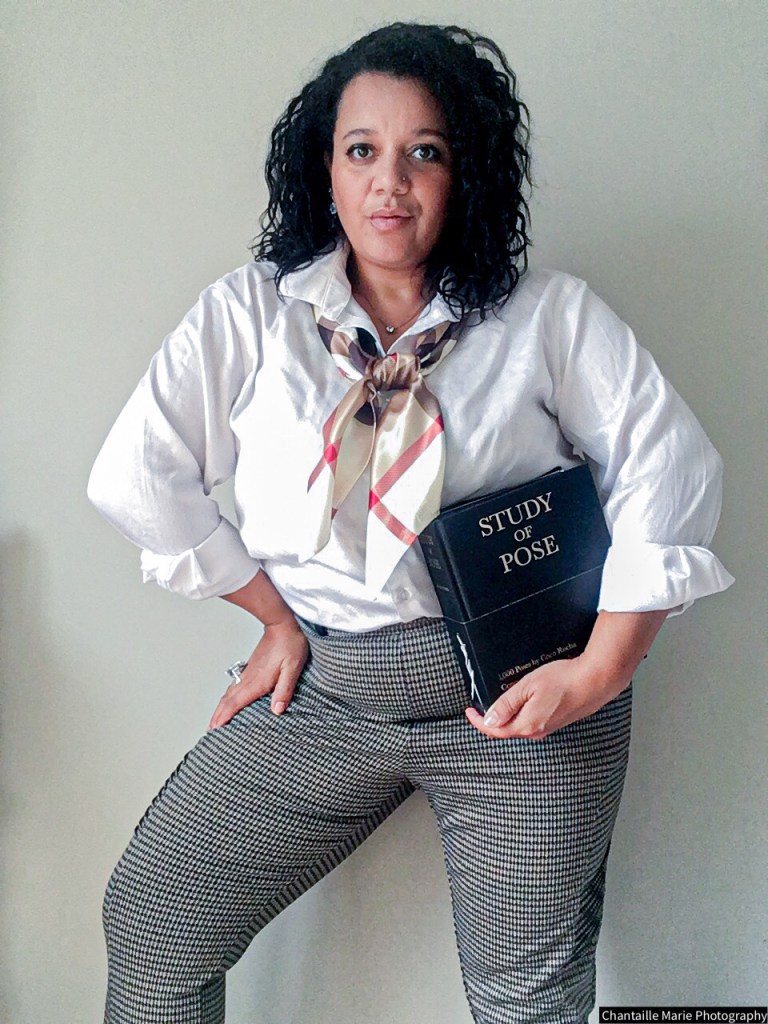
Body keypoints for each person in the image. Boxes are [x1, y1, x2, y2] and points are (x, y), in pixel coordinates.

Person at [87, 22, 733, 1024]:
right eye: (362, 150)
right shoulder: (249, 317)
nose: (389, 182)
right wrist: (272, 617)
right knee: (154, 920)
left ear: (464, 172)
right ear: (325, 169)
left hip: (525, 700)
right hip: (331, 690)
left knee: (526, 998)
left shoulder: (547, 317)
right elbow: (137, 475)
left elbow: (671, 467)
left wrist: (601, 670)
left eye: (424, 151)